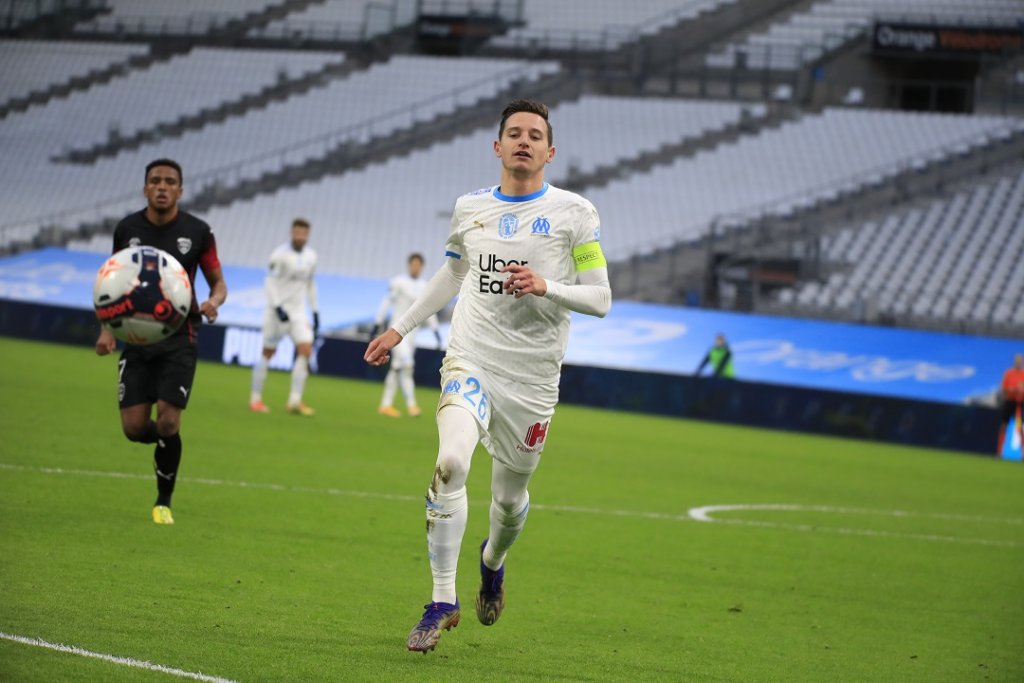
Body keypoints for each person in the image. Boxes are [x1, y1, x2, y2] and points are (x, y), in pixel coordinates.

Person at [364, 99, 612, 653]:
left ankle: (492, 562)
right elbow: (453, 272)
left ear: (550, 151)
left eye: (535, 135)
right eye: (514, 133)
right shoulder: (469, 208)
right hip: (470, 357)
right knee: (450, 463)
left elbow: (601, 297)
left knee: (507, 501)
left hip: (532, 379)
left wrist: (548, 286)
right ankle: (442, 600)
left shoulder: (576, 213)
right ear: (497, 146)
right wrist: (399, 329)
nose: (524, 141)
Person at [95, 158, 227, 526]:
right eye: (155, 181)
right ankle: (169, 446)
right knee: (135, 429)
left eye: (170, 181)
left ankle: (163, 500)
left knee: (169, 422)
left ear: (180, 190)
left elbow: (219, 282)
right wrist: (107, 329)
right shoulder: (127, 229)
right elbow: (111, 283)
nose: (162, 187)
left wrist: (213, 302)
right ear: (145, 188)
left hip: (180, 335)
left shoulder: (198, 231)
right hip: (136, 338)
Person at [249, 218, 320, 416]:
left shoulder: (311, 256)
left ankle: (295, 401)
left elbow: (310, 284)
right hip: (276, 312)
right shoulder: (279, 254)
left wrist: (315, 310)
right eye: (296, 232)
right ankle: (255, 399)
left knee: (306, 349)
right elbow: (270, 282)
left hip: (297, 312)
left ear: (307, 235)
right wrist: (277, 306)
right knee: (268, 353)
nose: (299, 236)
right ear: (291, 232)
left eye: (303, 233)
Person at [373, 253, 442, 418]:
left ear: (422, 266)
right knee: (408, 365)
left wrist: (436, 331)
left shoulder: (425, 286)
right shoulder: (398, 282)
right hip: (396, 332)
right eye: (413, 264)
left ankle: (385, 405)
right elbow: (386, 302)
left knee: (397, 369)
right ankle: (412, 405)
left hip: (412, 335)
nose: (415, 267)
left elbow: (428, 309)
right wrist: (378, 322)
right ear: (409, 265)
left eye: (418, 265)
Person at [999, 353, 1024, 455]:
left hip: (1019, 404)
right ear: (1014, 362)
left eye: (1020, 361)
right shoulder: (1008, 373)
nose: (1018, 362)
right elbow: (1003, 389)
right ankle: (999, 452)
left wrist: (1021, 390)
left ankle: (1022, 453)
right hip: (1009, 403)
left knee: (1019, 427)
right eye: (1016, 361)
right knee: (1004, 425)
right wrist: (1012, 390)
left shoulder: (1023, 374)